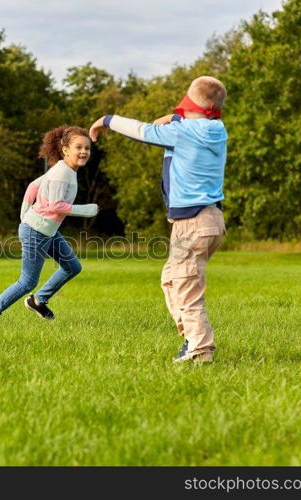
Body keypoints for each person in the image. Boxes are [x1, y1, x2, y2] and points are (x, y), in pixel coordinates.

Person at [89, 76, 227, 363]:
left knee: (187, 288)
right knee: (171, 280)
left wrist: (107, 119)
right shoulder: (215, 128)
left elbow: (143, 130)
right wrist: (177, 116)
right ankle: (191, 338)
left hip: (193, 222)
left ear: (189, 105)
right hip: (211, 220)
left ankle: (200, 351)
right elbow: (180, 121)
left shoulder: (184, 132)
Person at [0, 125, 98, 326]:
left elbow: (33, 186)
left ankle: (38, 301)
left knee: (72, 266)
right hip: (37, 232)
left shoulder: (64, 169)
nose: (84, 152)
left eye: (87, 148)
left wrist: (25, 216)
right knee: (27, 281)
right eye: (79, 147)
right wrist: (85, 209)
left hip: (46, 231)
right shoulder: (62, 173)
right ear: (66, 150)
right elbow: (55, 205)